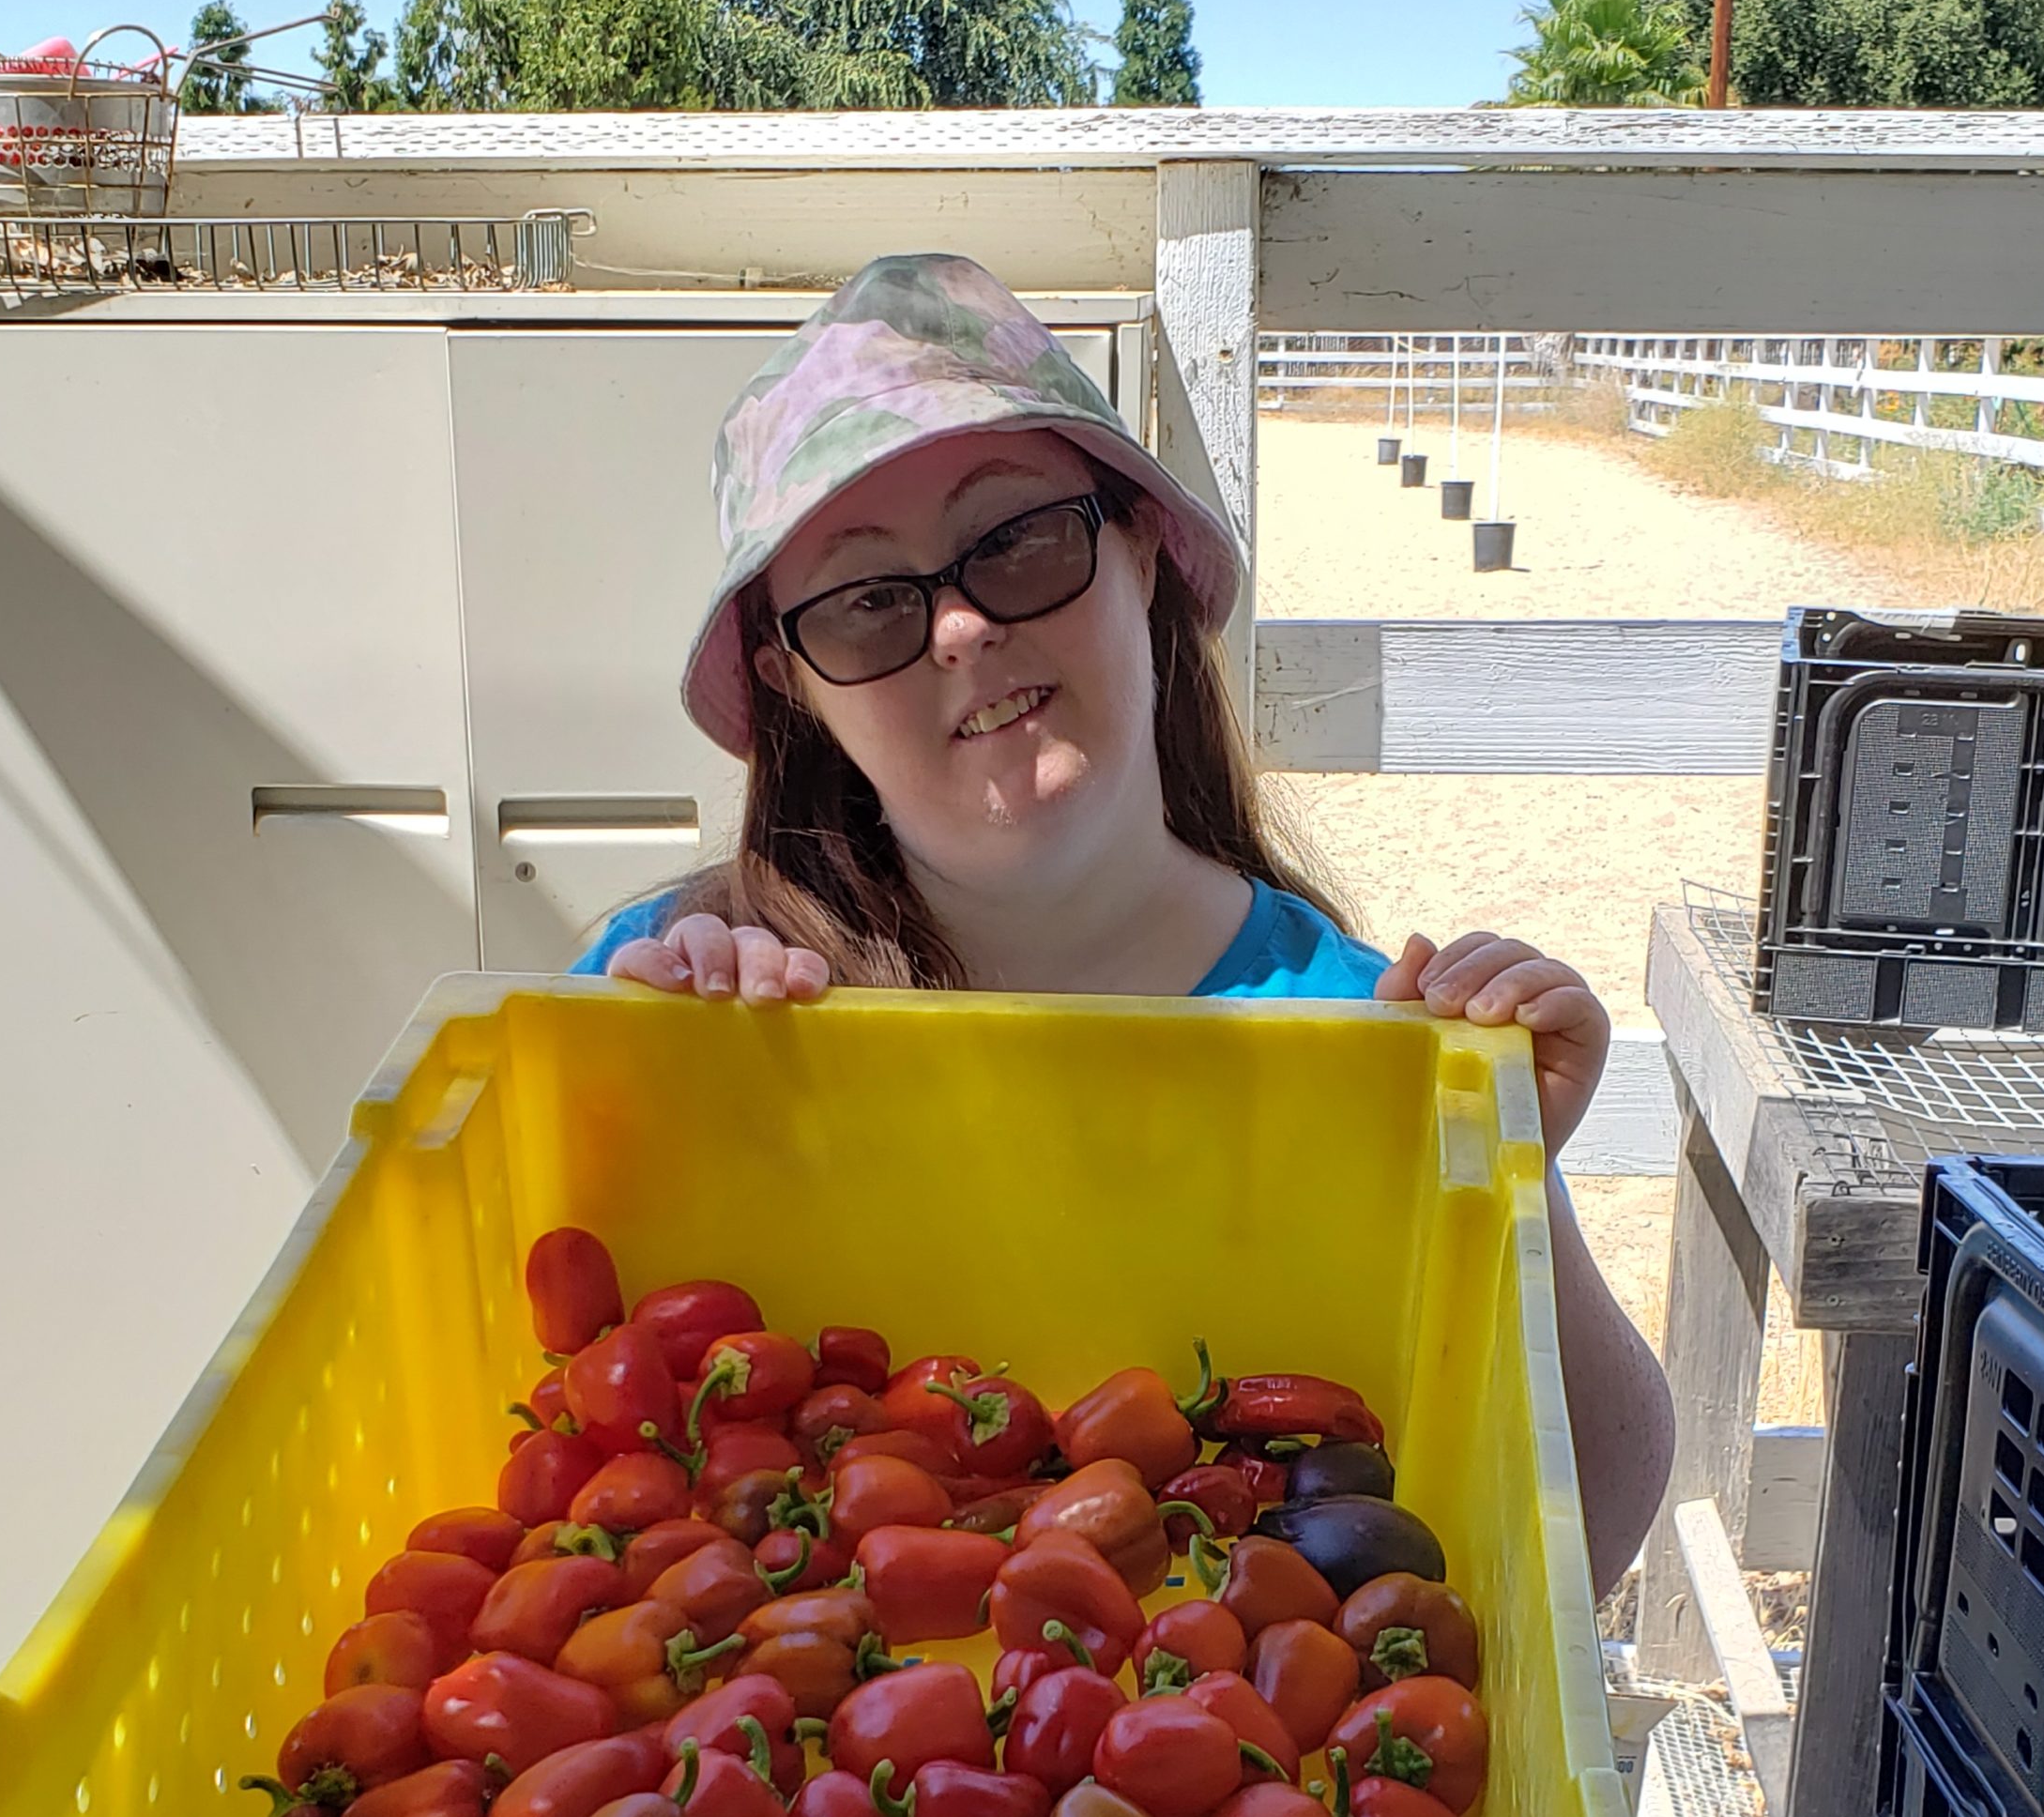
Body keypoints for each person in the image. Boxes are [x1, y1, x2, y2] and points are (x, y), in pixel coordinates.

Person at [576, 253, 1673, 1592]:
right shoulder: (695, 991)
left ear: (1141, 552)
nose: (965, 627)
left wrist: (1515, 1179)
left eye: (1020, 541)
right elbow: (574, 1434)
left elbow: (1589, 1534)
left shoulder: (1360, 1045)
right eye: (867, 601)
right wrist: (647, 1079)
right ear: (791, 683)